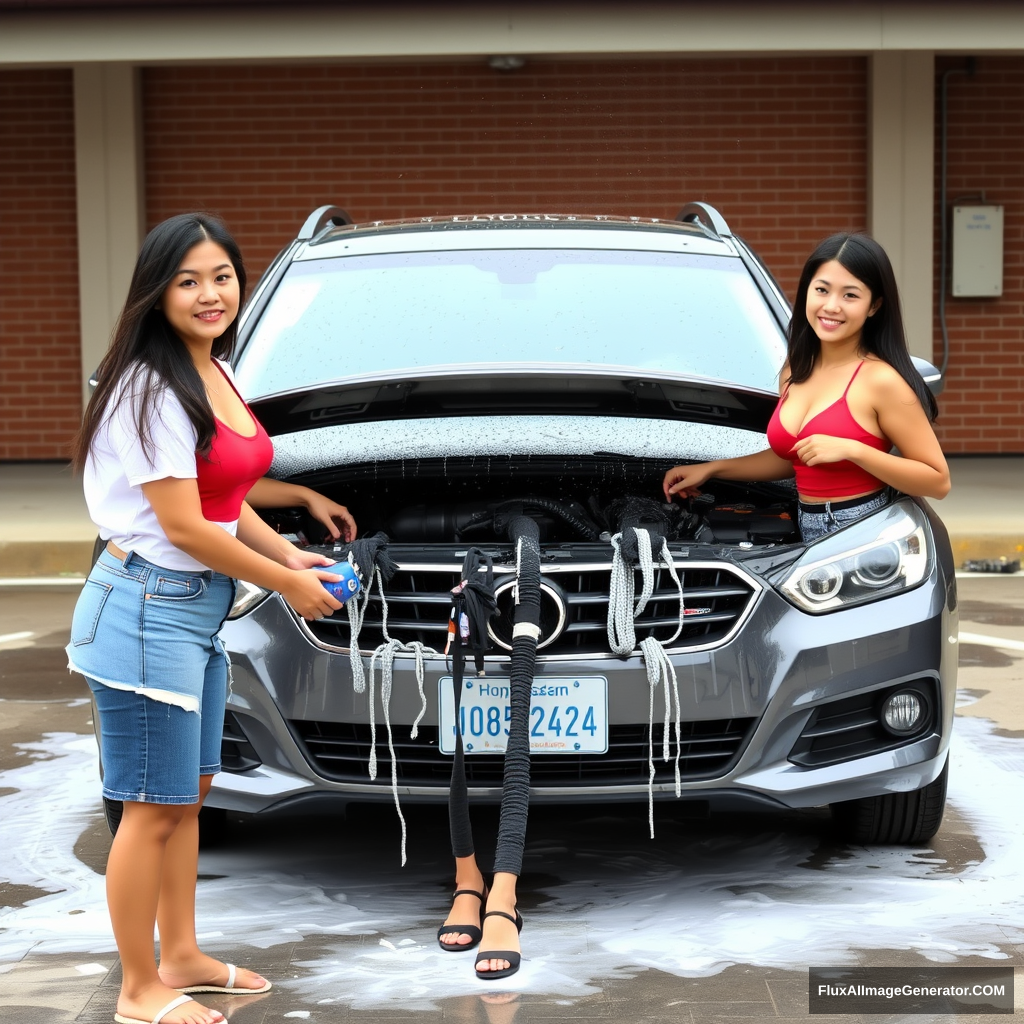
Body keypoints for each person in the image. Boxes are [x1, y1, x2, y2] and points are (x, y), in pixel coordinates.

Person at [68, 213, 355, 1024]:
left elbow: (223, 502)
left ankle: (183, 953)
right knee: (149, 806)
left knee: (190, 796)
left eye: (221, 276)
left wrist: (287, 554)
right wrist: (286, 584)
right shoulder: (150, 388)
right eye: (188, 280)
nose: (208, 294)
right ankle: (137, 989)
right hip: (146, 606)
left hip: (195, 609)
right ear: (157, 293)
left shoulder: (214, 371)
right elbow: (185, 527)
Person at [662, 233, 950, 539]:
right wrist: (712, 469)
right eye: (822, 290)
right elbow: (796, 458)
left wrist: (855, 451)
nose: (831, 306)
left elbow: (938, 482)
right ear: (807, 292)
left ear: (874, 306)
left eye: (850, 295)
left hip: (862, 528)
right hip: (804, 525)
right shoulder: (795, 370)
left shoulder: (880, 381)